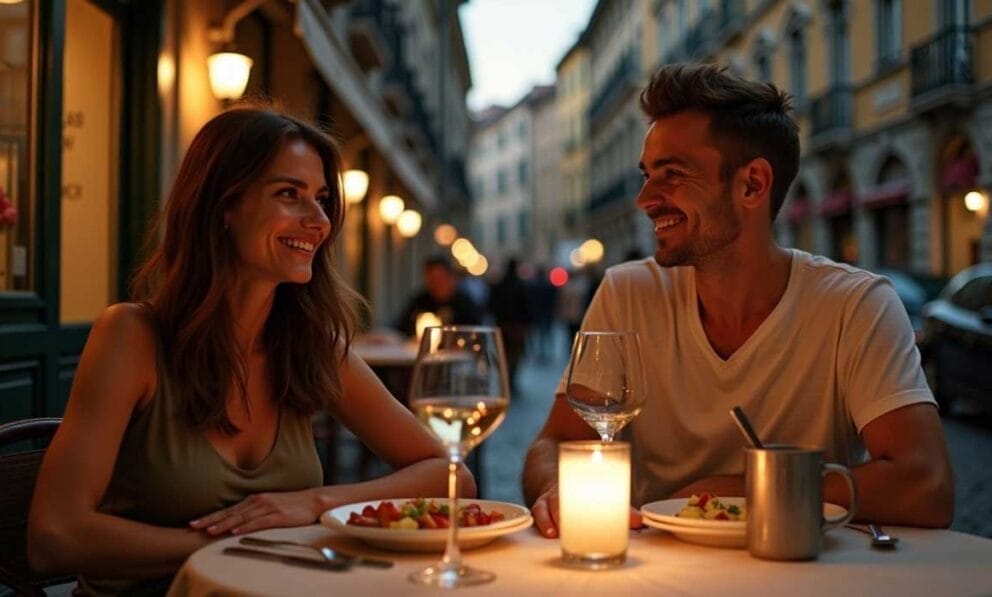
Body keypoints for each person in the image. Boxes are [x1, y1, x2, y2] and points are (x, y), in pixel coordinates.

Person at [27, 106, 466, 595]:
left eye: (321, 199)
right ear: (223, 206)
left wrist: (315, 503)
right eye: (288, 194)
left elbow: (451, 477)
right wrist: (227, 543)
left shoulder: (311, 344)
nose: (318, 220)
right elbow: (54, 536)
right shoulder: (132, 336)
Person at [523, 64, 954, 537]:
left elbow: (926, 483)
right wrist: (556, 489)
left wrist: (738, 490)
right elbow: (556, 442)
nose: (646, 199)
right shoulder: (629, 293)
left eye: (671, 175)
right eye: (647, 175)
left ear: (752, 185)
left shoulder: (854, 305)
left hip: (804, 575)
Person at [394, 255, 482, 337]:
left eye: (440, 278)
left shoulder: (465, 304)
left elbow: (475, 332)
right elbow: (401, 329)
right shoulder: (420, 301)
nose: (437, 284)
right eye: (432, 279)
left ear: (451, 277)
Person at [487, 257, 533, 391]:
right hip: (516, 327)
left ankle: (506, 379)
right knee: (515, 355)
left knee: (503, 354)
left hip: (502, 324)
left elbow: (491, 305)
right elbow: (526, 306)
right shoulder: (520, 285)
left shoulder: (499, 285)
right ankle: (511, 380)